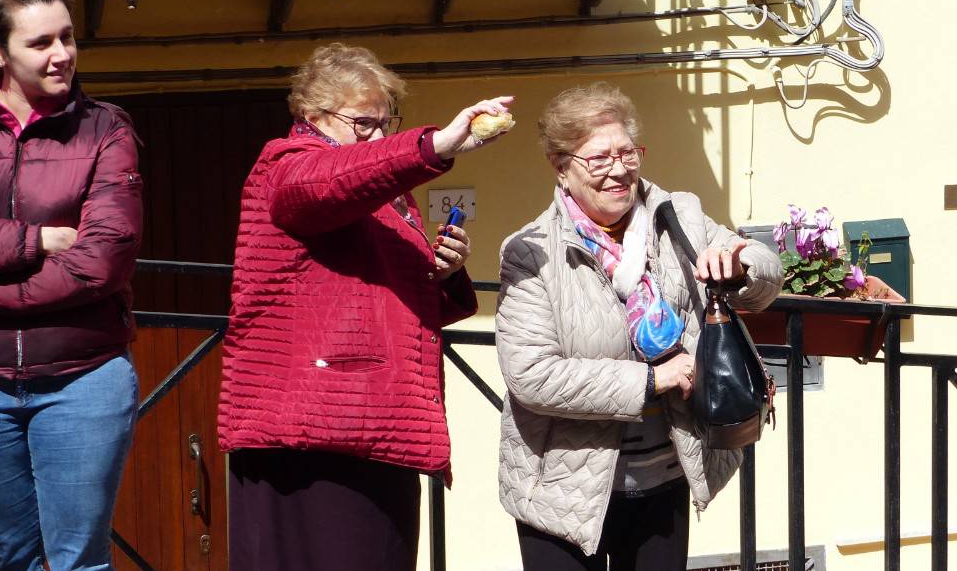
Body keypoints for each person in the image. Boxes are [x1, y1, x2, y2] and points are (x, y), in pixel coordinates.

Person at [218, 42, 513, 571]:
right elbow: (325, 187)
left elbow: (383, 295)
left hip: (375, 422)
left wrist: (443, 271)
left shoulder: (385, 195)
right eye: (362, 123)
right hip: (312, 432)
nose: (377, 136)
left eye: (385, 122)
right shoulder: (286, 165)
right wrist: (435, 145)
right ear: (313, 116)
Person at [495, 82, 783, 571]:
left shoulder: (678, 215)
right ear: (562, 168)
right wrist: (654, 380)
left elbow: (766, 268)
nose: (618, 170)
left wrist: (739, 265)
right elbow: (532, 375)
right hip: (563, 490)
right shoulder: (531, 251)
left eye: (628, 153)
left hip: (664, 475)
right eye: (598, 158)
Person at [0, 0, 142, 571]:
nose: (62, 55)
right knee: (8, 557)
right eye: (41, 43)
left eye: (68, 38)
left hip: (84, 378)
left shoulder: (106, 129)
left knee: (78, 561)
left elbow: (104, 258)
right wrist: (38, 239)